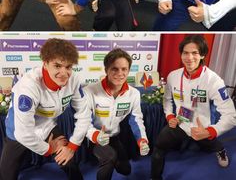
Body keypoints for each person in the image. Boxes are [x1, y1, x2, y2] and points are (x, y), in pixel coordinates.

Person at [0, 38, 91, 180]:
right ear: (45, 63)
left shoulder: (73, 80)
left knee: (68, 162)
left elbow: (84, 115)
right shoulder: (28, 86)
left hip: (47, 126)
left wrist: (71, 147)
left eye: (68, 67)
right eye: (57, 66)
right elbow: (23, 133)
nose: (64, 73)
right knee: (6, 176)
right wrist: (49, 149)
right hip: (18, 132)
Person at [151, 34, 236, 180]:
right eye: (185, 53)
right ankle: (155, 177)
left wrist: (210, 131)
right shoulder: (173, 76)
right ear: (181, 54)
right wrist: (169, 116)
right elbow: (167, 100)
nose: (189, 58)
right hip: (180, 122)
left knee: (213, 145)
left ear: (202, 54)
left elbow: (231, 116)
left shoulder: (214, 80)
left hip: (201, 126)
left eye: (195, 53)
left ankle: (221, 150)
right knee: (159, 147)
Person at [83, 48, 150, 180]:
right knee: (109, 158)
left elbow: (136, 120)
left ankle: (111, 159)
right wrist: (95, 135)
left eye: (124, 69)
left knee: (125, 170)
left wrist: (142, 140)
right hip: (95, 138)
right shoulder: (89, 91)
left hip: (114, 136)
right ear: (106, 70)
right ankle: (107, 160)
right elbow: (83, 121)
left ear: (128, 70)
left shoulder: (134, 94)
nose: (120, 73)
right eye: (114, 69)